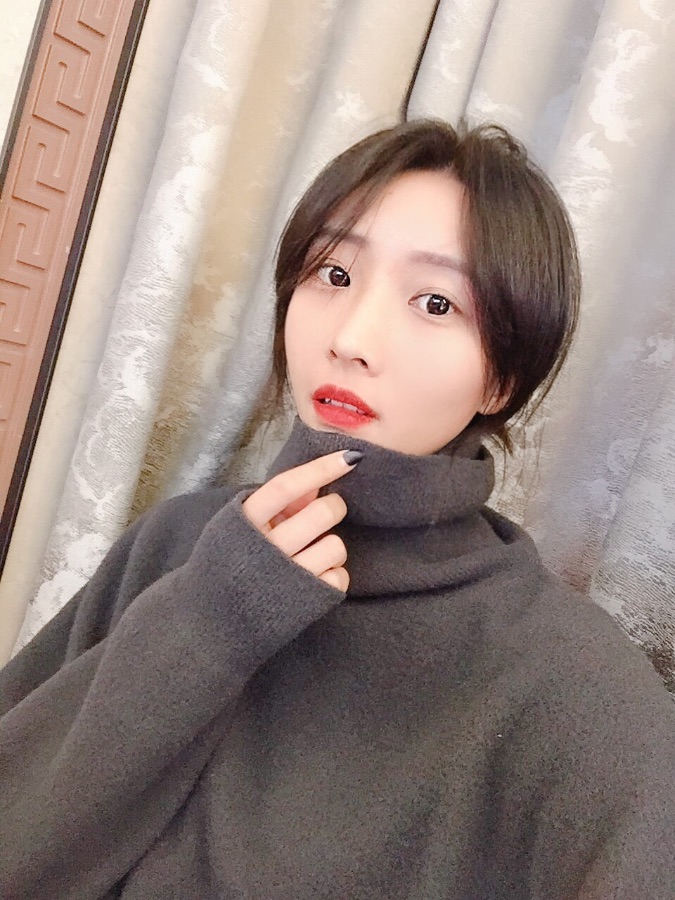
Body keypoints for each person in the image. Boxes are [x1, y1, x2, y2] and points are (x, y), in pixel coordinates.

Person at [1, 120, 673, 900]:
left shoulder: (566, 682)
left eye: (434, 302)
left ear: (500, 380)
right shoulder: (176, 545)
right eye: (332, 273)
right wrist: (209, 620)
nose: (351, 337)